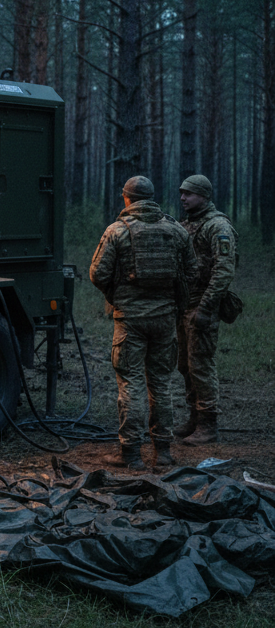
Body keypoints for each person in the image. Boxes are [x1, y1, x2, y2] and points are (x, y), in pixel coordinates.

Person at [89, 175, 196, 470]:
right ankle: (162, 453)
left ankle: (131, 454)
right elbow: (191, 272)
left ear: (127, 199)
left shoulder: (117, 231)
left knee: (131, 384)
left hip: (131, 320)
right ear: (151, 198)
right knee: (161, 384)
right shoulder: (176, 230)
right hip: (164, 319)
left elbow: (97, 274)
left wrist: (118, 294)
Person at [175, 174, 237, 446]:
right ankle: (194, 418)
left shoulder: (218, 226)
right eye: (182, 193)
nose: (183, 198)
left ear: (203, 195)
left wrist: (206, 307)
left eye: (189, 193)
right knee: (185, 365)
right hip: (184, 304)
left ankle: (208, 425)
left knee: (201, 365)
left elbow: (223, 271)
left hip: (202, 305)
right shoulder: (186, 224)